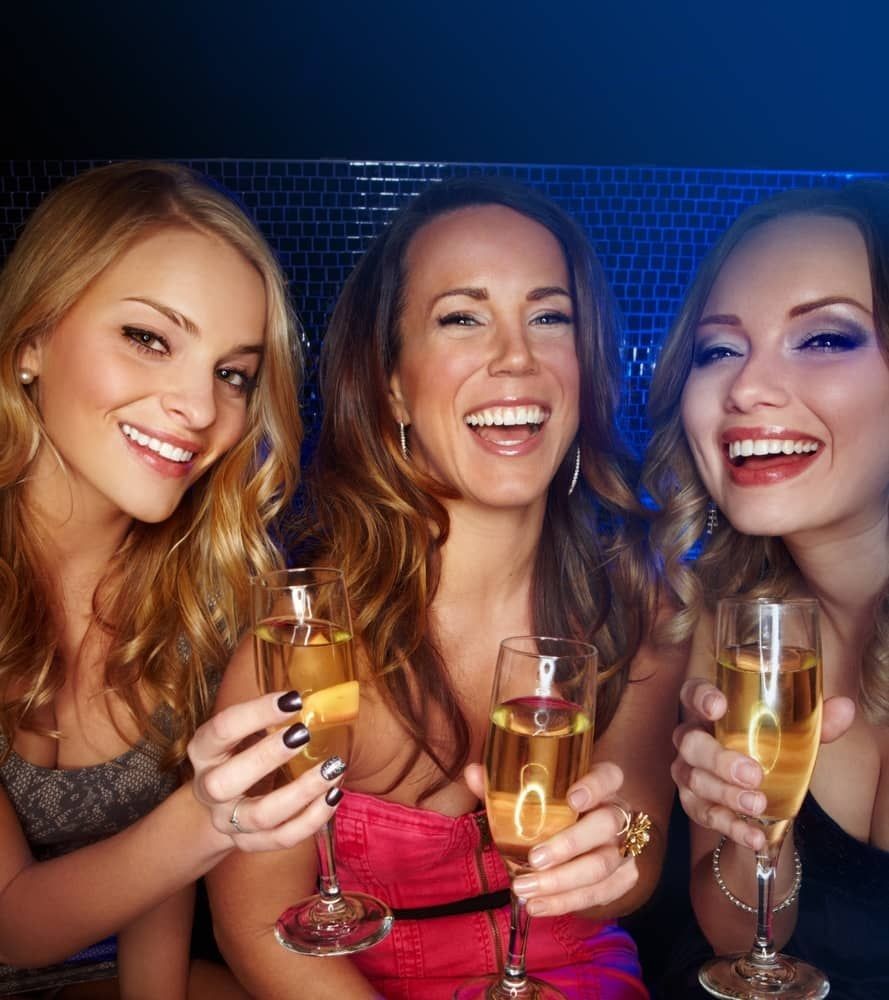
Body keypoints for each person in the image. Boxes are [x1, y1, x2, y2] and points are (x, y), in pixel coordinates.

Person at [208, 176, 687, 998]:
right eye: (461, 317)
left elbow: (635, 866)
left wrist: (617, 850)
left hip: (568, 973)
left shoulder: (641, 603)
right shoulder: (308, 639)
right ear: (392, 382)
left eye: (550, 317)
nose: (515, 358)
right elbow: (259, 927)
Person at [0, 161, 348, 999]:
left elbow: (154, 891)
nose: (199, 408)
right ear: (30, 343)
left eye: (232, 373)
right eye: (149, 338)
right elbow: (10, 921)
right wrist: (207, 816)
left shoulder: (209, 583)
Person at [644, 181, 889, 998]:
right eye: (717, 349)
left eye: (823, 338)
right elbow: (741, 939)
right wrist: (752, 844)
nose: (747, 387)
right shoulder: (726, 623)